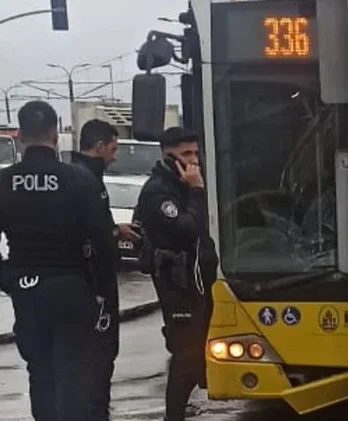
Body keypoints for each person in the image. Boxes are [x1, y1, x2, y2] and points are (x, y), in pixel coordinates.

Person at [0, 101, 117, 420]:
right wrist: (102, 292)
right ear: (55, 132)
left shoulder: (4, 183)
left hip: (28, 289)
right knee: (74, 377)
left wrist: (8, 278)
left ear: (21, 134)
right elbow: (104, 243)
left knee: (40, 374)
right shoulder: (78, 181)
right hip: (72, 289)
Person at [133, 127, 218, 421]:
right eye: (185, 155)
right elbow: (186, 228)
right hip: (177, 282)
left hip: (195, 280)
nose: (193, 161)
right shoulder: (159, 191)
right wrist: (196, 191)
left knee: (195, 353)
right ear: (168, 157)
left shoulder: (181, 185)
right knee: (186, 356)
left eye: (196, 153)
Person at [69, 118, 142, 420]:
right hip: (93, 287)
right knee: (98, 357)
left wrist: (115, 230)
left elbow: (94, 226)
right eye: (113, 148)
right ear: (99, 147)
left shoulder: (85, 176)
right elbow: (86, 232)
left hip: (89, 282)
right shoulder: (84, 179)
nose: (115, 155)